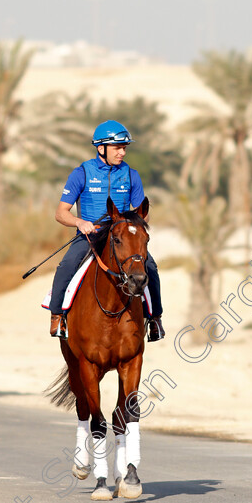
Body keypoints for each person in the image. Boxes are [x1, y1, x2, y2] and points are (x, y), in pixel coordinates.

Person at [47, 120, 165, 342]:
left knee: (150, 266)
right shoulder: (81, 173)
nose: (122, 153)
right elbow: (61, 213)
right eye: (117, 148)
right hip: (90, 236)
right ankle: (57, 317)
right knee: (67, 265)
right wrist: (80, 223)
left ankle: (155, 319)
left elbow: (143, 213)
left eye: (124, 148)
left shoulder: (132, 175)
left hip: (120, 237)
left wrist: (130, 224)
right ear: (101, 148)